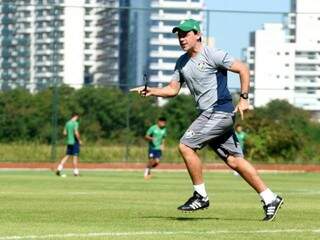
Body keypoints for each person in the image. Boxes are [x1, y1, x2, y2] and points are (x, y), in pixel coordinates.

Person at [131, 19, 283, 221]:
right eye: (179, 35)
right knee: (234, 161)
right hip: (210, 115)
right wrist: (152, 91)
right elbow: (173, 90)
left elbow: (243, 69)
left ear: (198, 35)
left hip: (218, 111)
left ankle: (200, 196)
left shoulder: (212, 54)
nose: (182, 38)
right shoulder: (181, 62)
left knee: (185, 146)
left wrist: (244, 99)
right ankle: (270, 198)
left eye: (186, 34)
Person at [56, 112, 82, 177]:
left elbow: (64, 133)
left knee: (67, 156)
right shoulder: (75, 123)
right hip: (74, 142)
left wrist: (69, 135)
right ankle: (76, 172)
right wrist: (79, 140)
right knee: (75, 157)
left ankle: (59, 168)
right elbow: (76, 132)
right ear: (75, 116)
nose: (77, 119)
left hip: (69, 142)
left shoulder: (67, 123)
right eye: (77, 117)